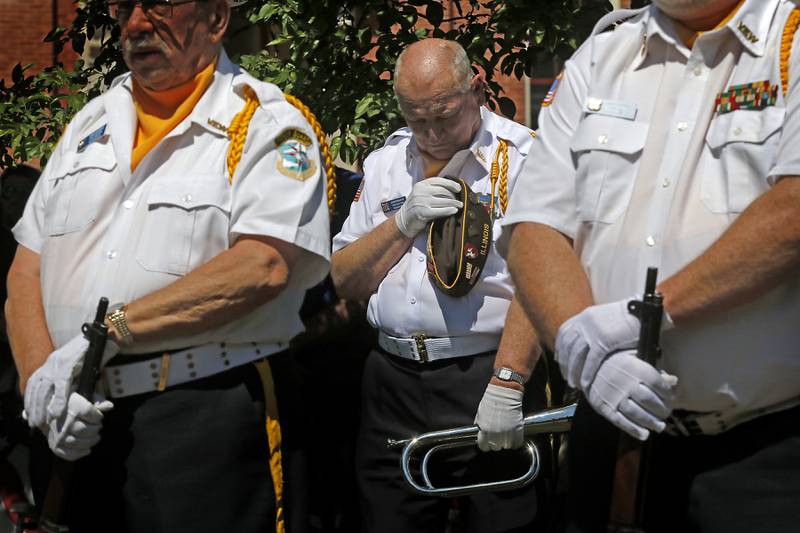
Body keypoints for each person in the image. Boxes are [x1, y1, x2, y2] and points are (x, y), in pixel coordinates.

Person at [6, 0, 330, 531]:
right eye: (123, 8)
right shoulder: (91, 122)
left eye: (158, 7)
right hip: (72, 424)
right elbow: (25, 269)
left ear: (216, 20)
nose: (135, 25)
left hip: (200, 420)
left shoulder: (266, 125)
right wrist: (41, 381)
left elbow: (262, 265)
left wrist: (109, 333)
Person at [501, 0, 800, 531]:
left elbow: (793, 211)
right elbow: (534, 226)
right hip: (615, 444)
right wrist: (579, 341)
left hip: (769, 455)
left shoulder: (791, 41)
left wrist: (644, 316)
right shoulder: (602, 56)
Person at [331, 38, 549, 533]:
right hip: (392, 379)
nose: (430, 133)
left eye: (444, 116)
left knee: (502, 520)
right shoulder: (386, 164)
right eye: (415, 118)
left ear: (475, 89)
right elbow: (344, 278)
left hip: (483, 371)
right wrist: (400, 223)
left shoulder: (524, 159)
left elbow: (538, 281)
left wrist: (509, 381)